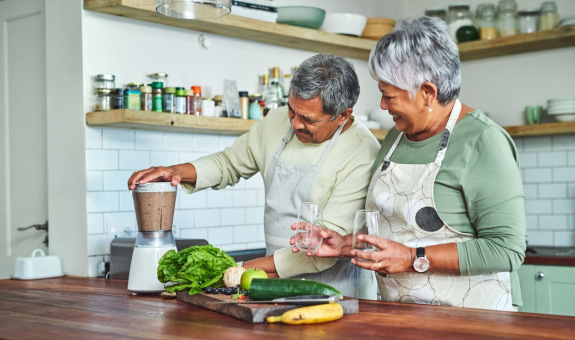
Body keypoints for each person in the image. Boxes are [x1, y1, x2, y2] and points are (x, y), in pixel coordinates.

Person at [291, 16, 526, 311]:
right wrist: (343, 245)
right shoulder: (395, 137)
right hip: (402, 315)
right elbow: (394, 234)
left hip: (474, 320)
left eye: (388, 95)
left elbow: (506, 249)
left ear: (427, 92)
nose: (383, 106)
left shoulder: (483, 140)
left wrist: (412, 258)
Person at [128, 53, 380, 298]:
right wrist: (176, 172)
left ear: (343, 115)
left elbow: (324, 248)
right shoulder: (277, 120)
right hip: (269, 284)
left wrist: (238, 270)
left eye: (308, 119)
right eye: (293, 111)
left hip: (338, 292)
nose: (294, 124)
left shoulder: (363, 152)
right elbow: (228, 163)